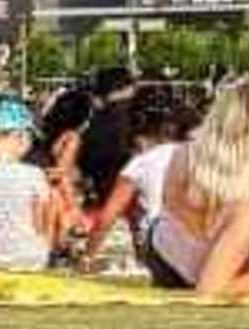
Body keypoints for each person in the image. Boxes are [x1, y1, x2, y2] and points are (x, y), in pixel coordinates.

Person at [145, 81, 249, 296]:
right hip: (207, 273)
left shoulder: (183, 153)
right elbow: (208, 291)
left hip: (163, 260)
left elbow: (168, 205)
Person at [0, 100, 71, 271]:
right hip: (28, 261)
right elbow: (41, 227)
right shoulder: (32, 174)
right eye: (30, 137)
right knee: (54, 202)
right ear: (19, 136)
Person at [80, 94, 192, 265]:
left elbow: (107, 217)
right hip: (193, 243)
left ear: (140, 136)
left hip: (158, 246)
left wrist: (88, 256)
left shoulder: (141, 163)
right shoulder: (196, 156)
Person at [76, 66, 138, 208]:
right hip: (138, 200)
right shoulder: (139, 117)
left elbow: (84, 163)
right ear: (127, 87)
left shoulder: (95, 122)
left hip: (106, 198)